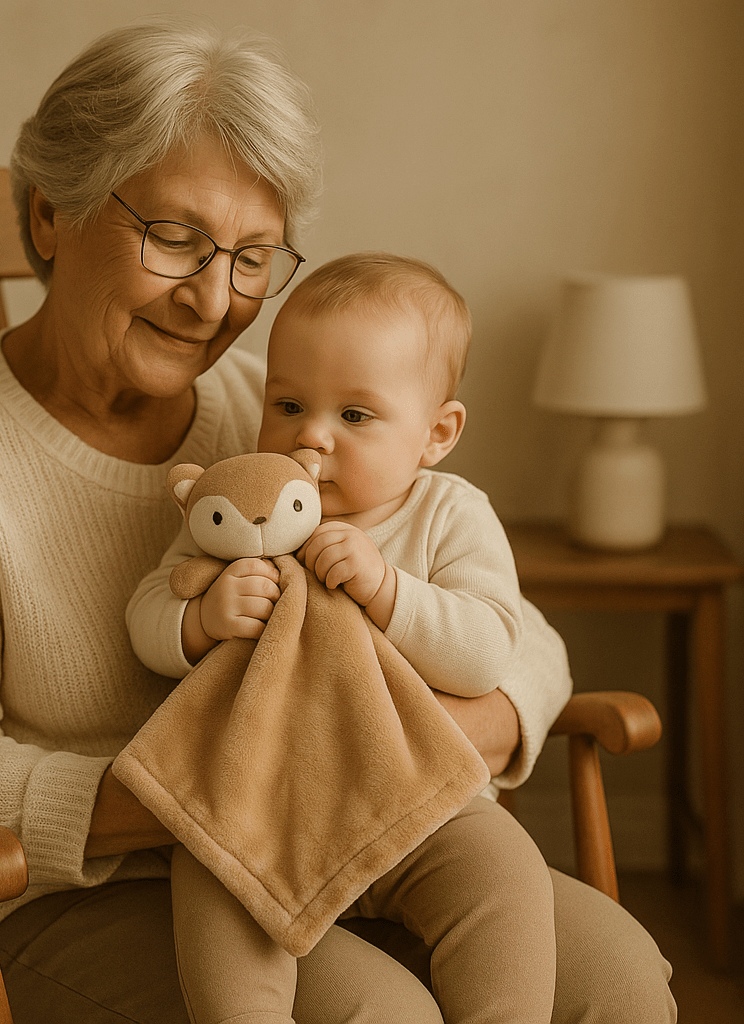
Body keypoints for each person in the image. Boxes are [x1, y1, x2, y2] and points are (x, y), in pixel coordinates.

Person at [0, 18, 676, 1024]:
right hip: (87, 894)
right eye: (176, 239)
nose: (213, 299)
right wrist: (206, 788)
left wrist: (450, 733)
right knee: (381, 1016)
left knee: (618, 976)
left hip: (363, 835)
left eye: (252, 257)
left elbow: (507, 625)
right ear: (50, 214)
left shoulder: (283, 411)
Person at [127, 252, 559, 1024]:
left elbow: (491, 646)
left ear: (437, 432)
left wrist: (390, 592)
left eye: (354, 416)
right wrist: (200, 620)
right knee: (213, 886)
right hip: (258, 800)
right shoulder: (245, 509)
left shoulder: (447, 515)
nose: (312, 437)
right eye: (288, 404)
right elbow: (149, 613)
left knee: (507, 876)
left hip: (422, 802)